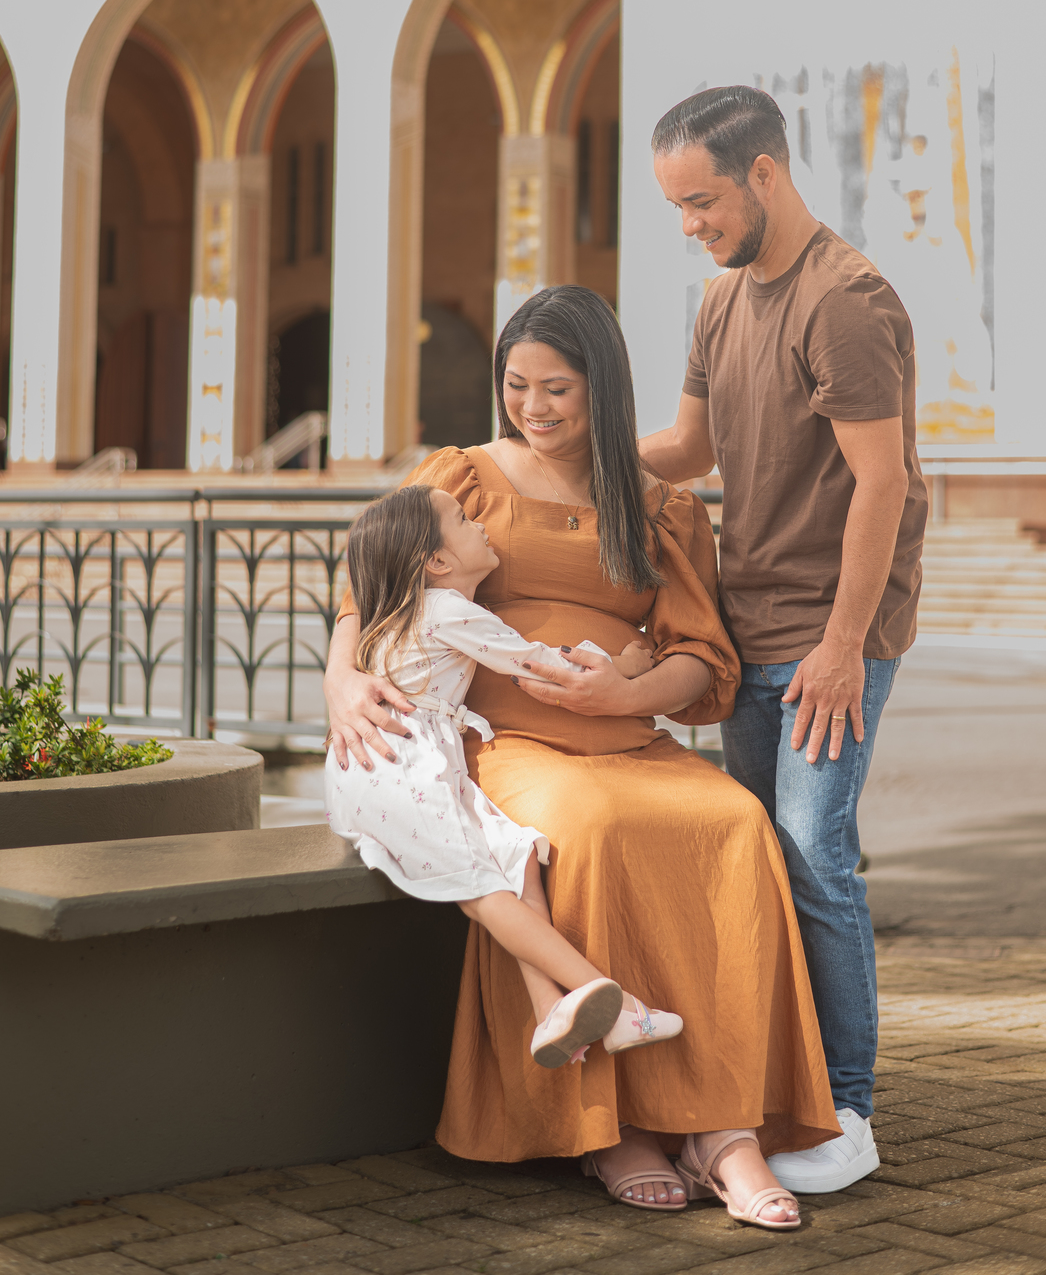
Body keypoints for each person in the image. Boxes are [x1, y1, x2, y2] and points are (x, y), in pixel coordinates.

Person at [324, 285, 838, 1229]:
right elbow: (369, 582)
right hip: (509, 742)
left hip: (631, 737)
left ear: (601, 387)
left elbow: (700, 657)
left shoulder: (657, 506)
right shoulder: (461, 479)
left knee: (732, 824)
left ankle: (723, 1133)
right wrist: (339, 682)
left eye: (557, 388)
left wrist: (627, 692)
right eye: (517, 386)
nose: (534, 407)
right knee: (589, 830)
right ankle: (616, 1128)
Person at [643, 85, 928, 1194]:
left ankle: (846, 1110)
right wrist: (548, 455)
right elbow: (687, 445)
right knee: (756, 856)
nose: (691, 226)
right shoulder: (721, 303)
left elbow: (883, 482)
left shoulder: (848, 301)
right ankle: (777, 1078)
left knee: (815, 855)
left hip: (829, 636)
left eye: (702, 201)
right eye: (675, 206)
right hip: (746, 619)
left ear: (765, 172)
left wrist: (844, 643)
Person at [326, 481, 682, 1067]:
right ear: (437, 560)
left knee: (514, 859)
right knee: (483, 890)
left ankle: (551, 1013)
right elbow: (538, 666)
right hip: (401, 770)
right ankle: (619, 1009)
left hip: (390, 768)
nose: (483, 525)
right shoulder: (447, 611)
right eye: (465, 520)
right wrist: (627, 666)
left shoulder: (409, 613)